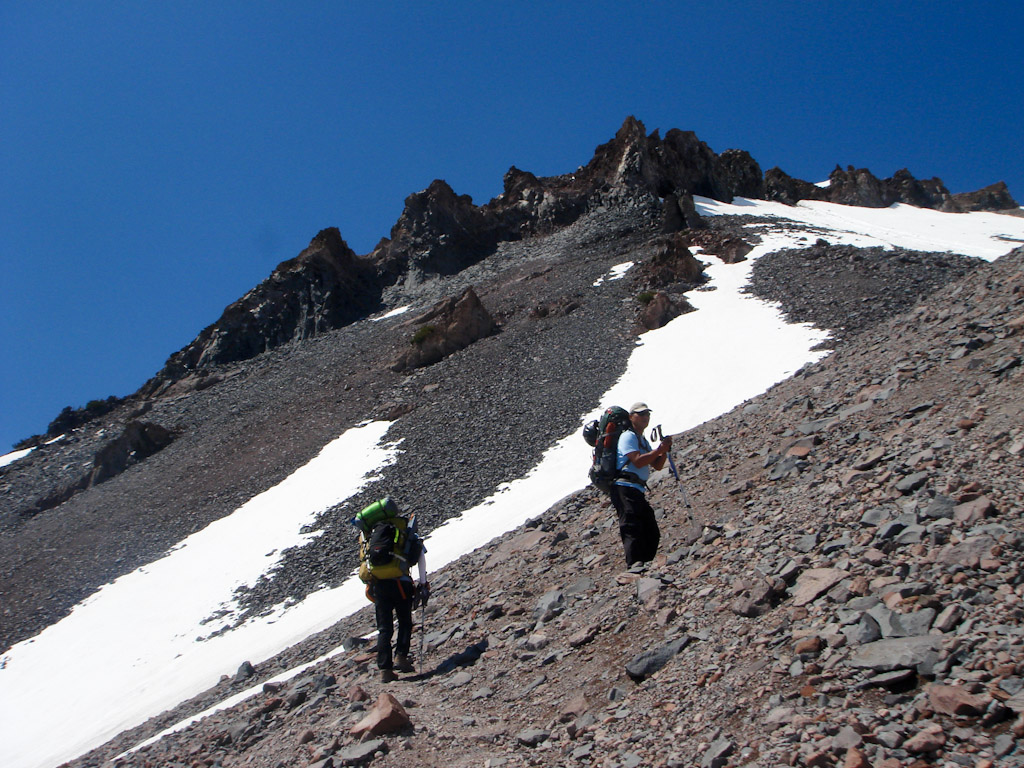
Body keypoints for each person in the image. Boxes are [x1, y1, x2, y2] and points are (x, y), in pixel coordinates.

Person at [364, 512, 429, 683]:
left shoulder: (372, 536)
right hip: (401, 583)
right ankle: (401, 657)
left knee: (384, 628)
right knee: (405, 621)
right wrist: (423, 584)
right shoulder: (404, 533)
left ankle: (385, 670)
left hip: (379, 585)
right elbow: (420, 556)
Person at [610, 402, 672, 569]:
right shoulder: (628, 437)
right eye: (641, 414)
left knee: (649, 526)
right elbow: (637, 461)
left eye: (647, 414)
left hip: (636, 488)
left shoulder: (641, 439)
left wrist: (663, 451)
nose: (645, 417)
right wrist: (659, 450)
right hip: (624, 486)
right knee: (631, 524)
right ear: (631, 417)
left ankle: (645, 562)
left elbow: (657, 465)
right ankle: (634, 565)